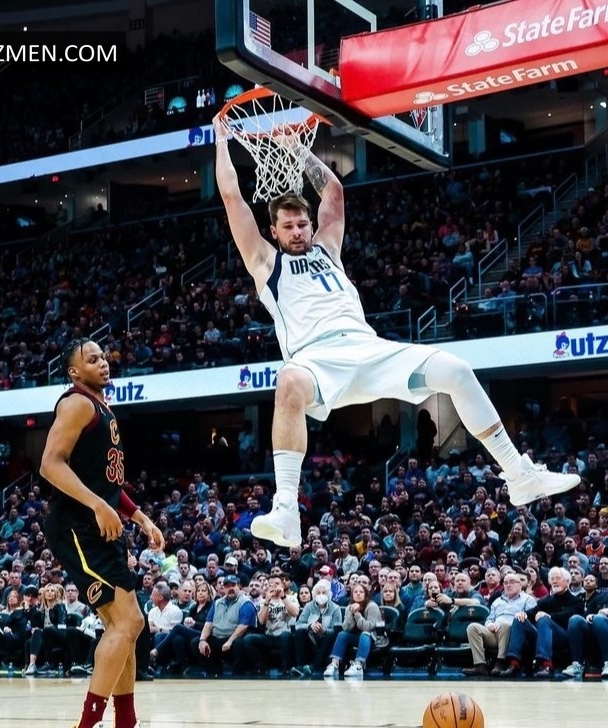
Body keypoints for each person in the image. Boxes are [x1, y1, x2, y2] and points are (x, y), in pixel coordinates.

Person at [212, 115, 579, 549]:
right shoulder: (265, 263)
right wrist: (221, 141)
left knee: (456, 370)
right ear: (273, 231)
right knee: (287, 380)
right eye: (287, 226)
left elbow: (333, 191)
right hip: (316, 361)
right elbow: (233, 197)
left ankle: (518, 473)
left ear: (310, 225)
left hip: (369, 349)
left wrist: (297, 149)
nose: (297, 231)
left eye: (302, 224)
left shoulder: (328, 249)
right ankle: (287, 509)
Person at [40, 338, 174, 728]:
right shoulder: (76, 404)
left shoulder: (103, 409)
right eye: (92, 359)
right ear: (74, 372)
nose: (103, 363)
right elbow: (50, 464)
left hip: (99, 526)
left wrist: (141, 518)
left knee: (127, 626)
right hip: (77, 527)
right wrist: (97, 505)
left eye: (104, 357)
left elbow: (108, 484)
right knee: (128, 621)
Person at [561, 567, 608, 680]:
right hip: (594, 634)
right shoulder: (598, 599)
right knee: (575, 619)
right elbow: (586, 616)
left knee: (599, 618)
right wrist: (588, 617)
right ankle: (577, 664)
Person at [462, 571, 537, 677]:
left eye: (512, 582)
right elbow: (489, 619)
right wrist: (489, 625)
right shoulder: (497, 601)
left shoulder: (528, 599)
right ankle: (480, 665)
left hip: (514, 636)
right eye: (505, 583)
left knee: (505, 625)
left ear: (519, 585)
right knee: (472, 627)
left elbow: (530, 620)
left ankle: (501, 662)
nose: (508, 585)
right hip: (495, 633)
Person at [323, 582, 382, 678]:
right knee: (342, 634)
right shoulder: (349, 607)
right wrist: (351, 613)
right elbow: (346, 628)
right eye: (355, 592)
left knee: (364, 634)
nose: (358, 594)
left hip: (372, 638)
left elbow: (368, 628)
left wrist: (357, 614)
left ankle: (358, 665)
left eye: (361, 592)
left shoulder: (372, 606)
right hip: (355, 636)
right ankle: (334, 664)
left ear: (366, 595)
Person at [291, 578, 342, 678]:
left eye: (324, 592)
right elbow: (298, 625)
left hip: (327, 640)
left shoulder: (336, 608)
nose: (321, 595)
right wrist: (310, 626)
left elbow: (337, 630)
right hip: (311, 639)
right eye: (318, 593)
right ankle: (300, 666)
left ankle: (314, 667)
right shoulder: (309, 606)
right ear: (314, 595)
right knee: (299, 632)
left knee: (330, 634)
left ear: (329, 594)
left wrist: (324, 631)